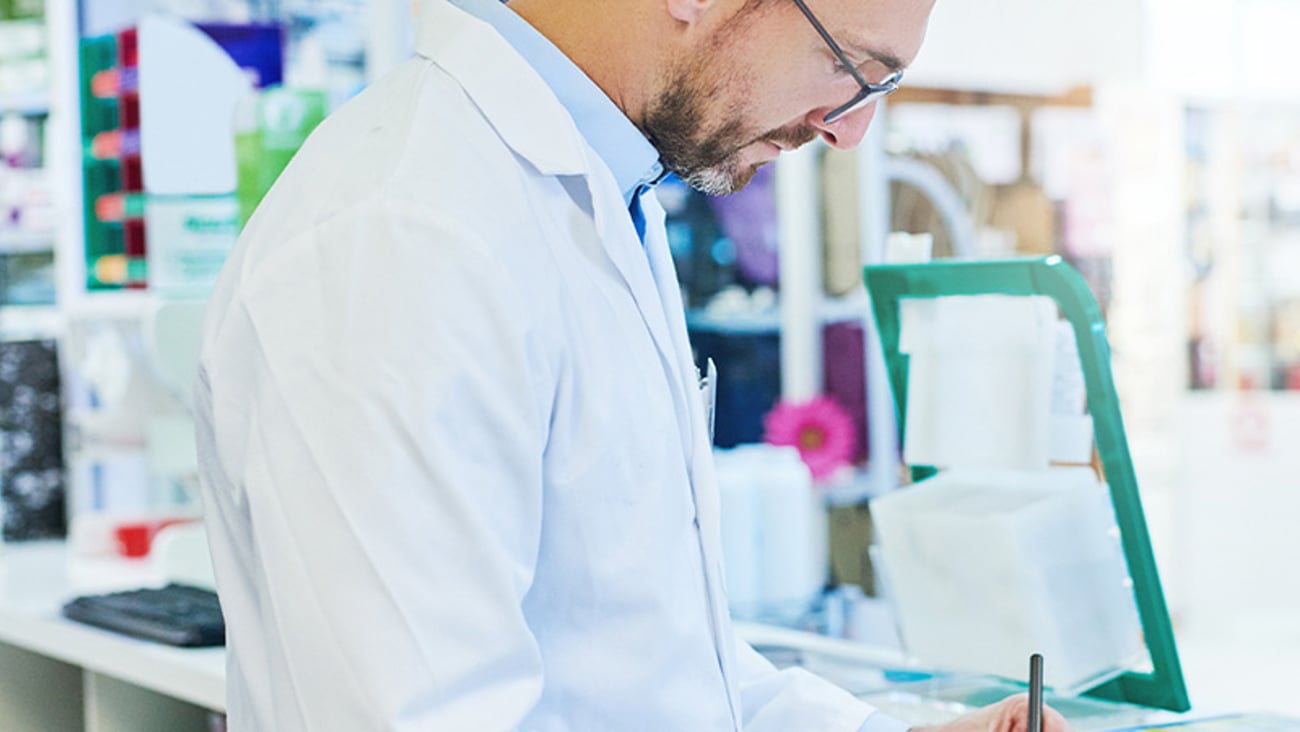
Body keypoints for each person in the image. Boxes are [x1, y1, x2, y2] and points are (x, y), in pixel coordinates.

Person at [193, 0, 1074, 729]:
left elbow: (663, 666)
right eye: (848, 65)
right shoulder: (401, 235)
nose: (849, 129)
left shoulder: (600, 193)